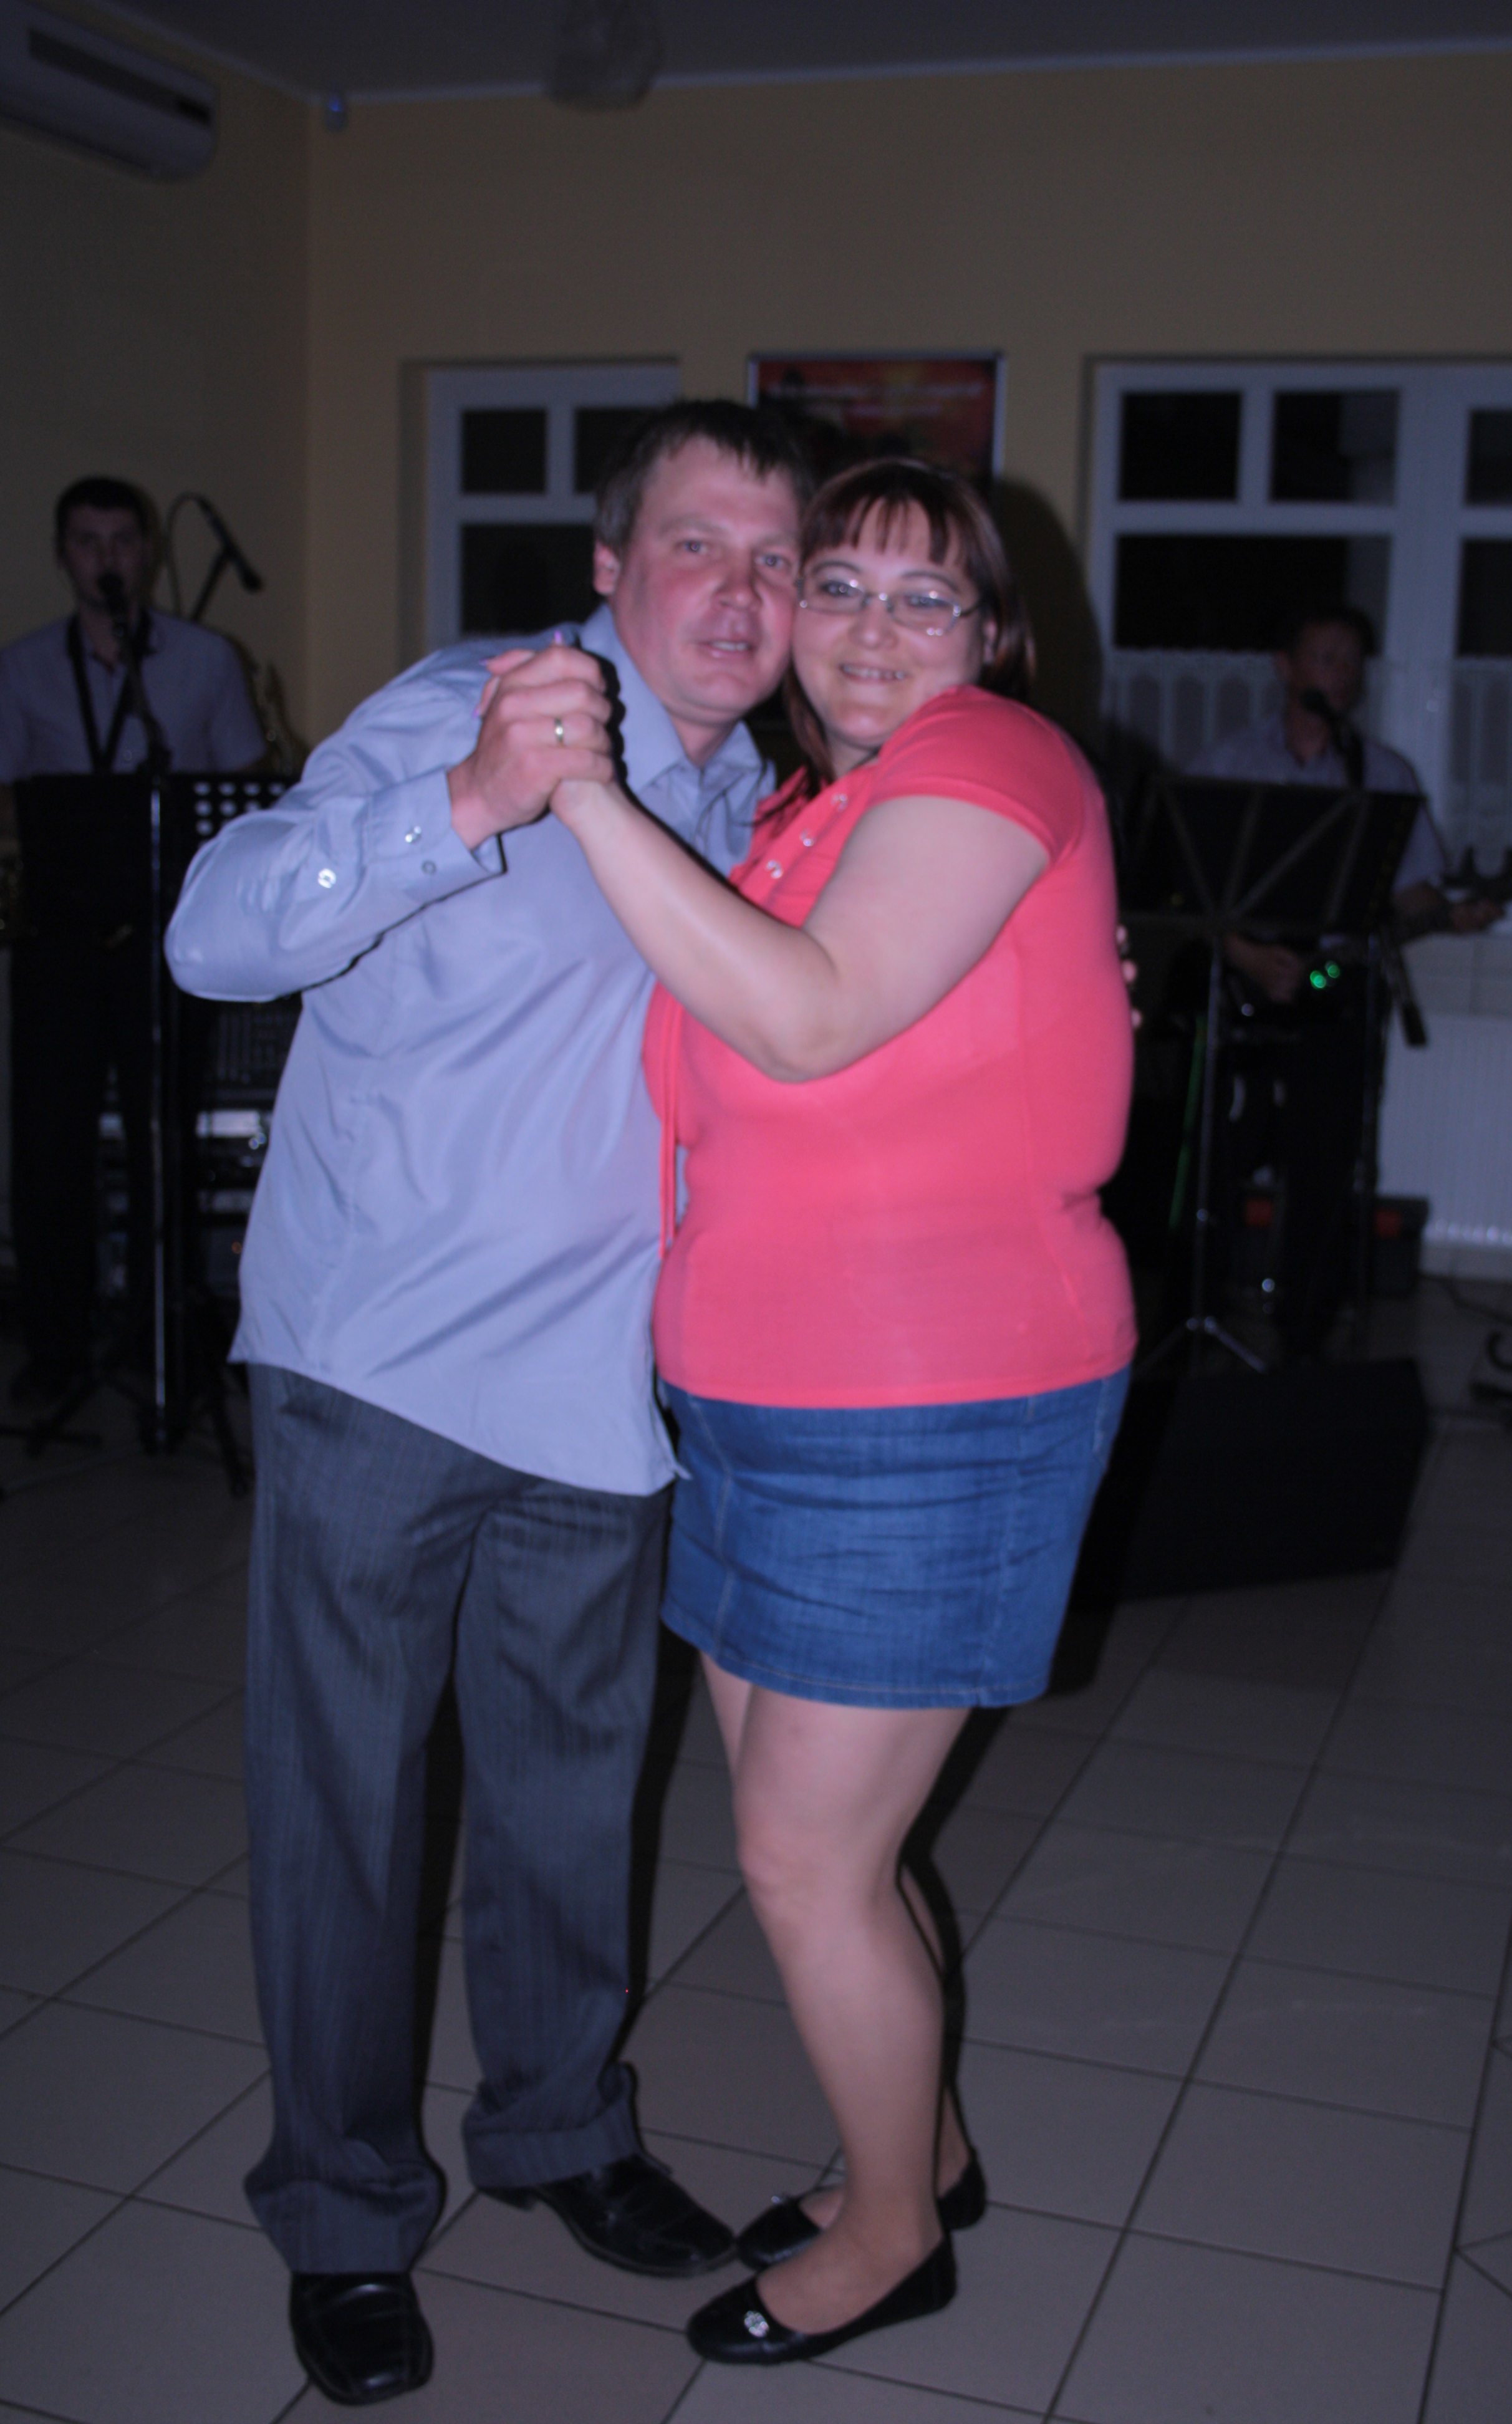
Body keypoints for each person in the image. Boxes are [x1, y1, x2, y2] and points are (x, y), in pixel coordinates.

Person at [163, 401, 815, 2407]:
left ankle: (557, 2131)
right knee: (346, 1818)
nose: (740, 593)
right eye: (697, 545)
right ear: (610, 568)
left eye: (777, 561)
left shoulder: (763, 796)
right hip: (384, 1367)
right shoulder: (474, 705)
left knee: (566, 1804)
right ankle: (345, 2213)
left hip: (604, 1394)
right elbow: (213, 936)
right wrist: (460, 800)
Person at [541, 457, 1135, 2365]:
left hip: (934, 1401)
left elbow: (805, 1021)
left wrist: (579, 790)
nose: (873, 627)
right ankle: (924, 2151)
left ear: (992, 636)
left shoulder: (989, 760)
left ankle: (893, 2237)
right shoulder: (822, 807)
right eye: (840, 585)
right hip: (761, 1401)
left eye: (924, 596)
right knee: (833, 1851)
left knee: (805, 1866)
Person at [0, 475, 263, 1405]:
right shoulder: (23, 666)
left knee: (167, 1146)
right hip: (60, 942)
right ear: (62, 555)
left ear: (147, 551)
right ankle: (58, 1347)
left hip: (165, 940)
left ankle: (166, 1339)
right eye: (87, 542)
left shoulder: (205, 660)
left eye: (121, 541)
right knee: (50, 1151)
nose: (106, 559)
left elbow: (243, 795)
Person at [1189, 604, 1498, 1354]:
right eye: (1325, 656)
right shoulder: (1232, 761)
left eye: (1352, 660)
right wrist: (1246, 954)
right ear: (1285, 666)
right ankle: (1200, 1311)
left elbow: (1411, 894)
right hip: (1245, 981)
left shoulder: (1382, 773)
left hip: (1336, 984)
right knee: (1221, 1150)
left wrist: (1454, 914)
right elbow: (1188, 881)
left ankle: (1304, 1332)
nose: (1341, 673)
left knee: (1326, 1161)